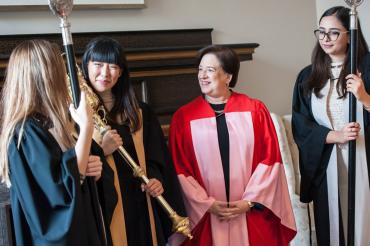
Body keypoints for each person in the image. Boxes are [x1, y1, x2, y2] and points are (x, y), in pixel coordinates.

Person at [168, 45, 296, 246]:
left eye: (210, 70)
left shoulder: (255, 110)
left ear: (228, 76)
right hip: (205, 215)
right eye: (200, 70)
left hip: (250, 212)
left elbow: (270, 160)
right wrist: (207, 204)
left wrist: (249, 202)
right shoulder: (184, 117)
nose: (202, 75)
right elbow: (180, 168)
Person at [81, 36, 187, 246]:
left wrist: (156, 179)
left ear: (121, 72)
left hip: (141, 205)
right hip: (104, 206)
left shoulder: (140, 112)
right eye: (98, 64)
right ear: (86, 67)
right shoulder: (78, 116)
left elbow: (156, 157)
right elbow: (75, 166)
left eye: (112, 66)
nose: (105, 73)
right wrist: (103, 149)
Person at [0, 40, 104, 245]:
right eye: (60, 69)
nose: (64, 77)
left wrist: (91, 170)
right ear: (45, 76)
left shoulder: (50, 123)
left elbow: (75, 177)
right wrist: (87, 129)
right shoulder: (26, 133)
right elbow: (61, 197)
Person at [292, 6, 370, 246]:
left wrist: (364, 97)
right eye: (321, 32)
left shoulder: (367, 70)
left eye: (334, 33)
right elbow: (301, 124)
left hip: (364, 161)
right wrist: (333, 135)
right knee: (334, 226)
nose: (325, 38)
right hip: (326, 163)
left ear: (350, 35)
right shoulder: (308, 76)